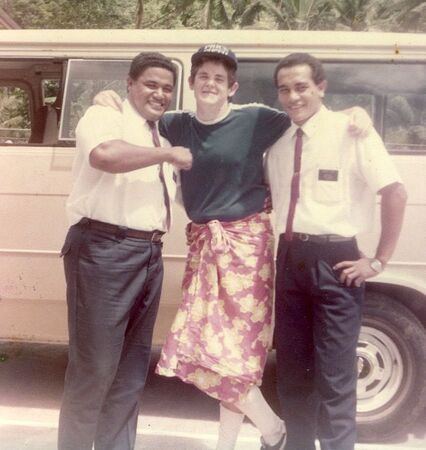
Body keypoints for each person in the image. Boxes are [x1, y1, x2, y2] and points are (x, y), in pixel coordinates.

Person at [94, 44, 370, 450]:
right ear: (191, 84)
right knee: (201, 348)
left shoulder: (257, 118)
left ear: (232, 87)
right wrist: (110, 100)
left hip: (247, 245)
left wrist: (352, 114)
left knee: (235, 352)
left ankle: (242, 440)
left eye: (219, 79)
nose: (210, 83)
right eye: (202, 76)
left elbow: (308, 111)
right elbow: (140, 114)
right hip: (205, 242)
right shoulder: (176, 124)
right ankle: (273, 430)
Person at [266, 53, 407, 450]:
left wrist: (378, 260)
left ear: (321, 88)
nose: (293, 97)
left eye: (301, 87)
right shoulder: (278, 140)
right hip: (290, 258)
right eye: (284, 89)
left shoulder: (351, 131)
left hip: (337, 262)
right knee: (292, 374)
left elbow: (394, 192)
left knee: (335, 377)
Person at [58, 52, 192, 450]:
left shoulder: (163, 134)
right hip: (103, 249)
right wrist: (166, 155)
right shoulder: (105, 117)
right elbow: (105, 156)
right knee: (95, 370)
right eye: (151, 84)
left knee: (131, 373)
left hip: (149, 255)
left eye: (167, 88)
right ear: (129, 83)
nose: (160, 93)